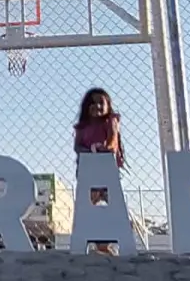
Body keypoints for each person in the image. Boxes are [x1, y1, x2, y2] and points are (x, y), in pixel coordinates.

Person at [73, 87, 129, 254]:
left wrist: (103, 148)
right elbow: (78, 147)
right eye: (92, 103)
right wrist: (88, 151)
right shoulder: (81, 127)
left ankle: (116, 240)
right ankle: (99, 245)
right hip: (88, 171)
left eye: (100, 103)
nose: (97, 106)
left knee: (113, 206)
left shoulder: (111, 121)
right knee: (90, 207)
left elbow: (112, 142)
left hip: (106, 171)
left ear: (108, 105)